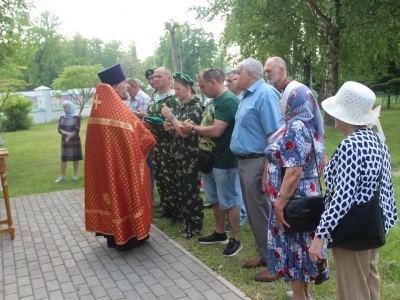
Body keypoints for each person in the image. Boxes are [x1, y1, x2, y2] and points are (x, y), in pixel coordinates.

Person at [309, 81, 398, 300]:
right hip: (372, 227)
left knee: (353, 293)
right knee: (370, 286)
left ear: (345, 115)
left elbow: (342, 198)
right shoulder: (377, 140)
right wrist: (384, 223)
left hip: (352, 230)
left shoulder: (351, 146)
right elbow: (386, 189)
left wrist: (320, 236)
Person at [263, 56, 329, 300]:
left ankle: (301, 297)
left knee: (294, 247)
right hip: (306, 195)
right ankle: (304, 293)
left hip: (293, 198)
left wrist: (280, 204)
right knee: (302, 245)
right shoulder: (309, 124)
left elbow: (294, 170)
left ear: (292, 101)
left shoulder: (295, 126)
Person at [85, 64, 156, 251]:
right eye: (124, 83)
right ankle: (131, 236)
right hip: (124, 167)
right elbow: (144, 138)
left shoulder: (99, 109)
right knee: (125, 193)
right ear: (115, 87)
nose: (127, 86)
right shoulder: (119, 113)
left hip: (105, 167)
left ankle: (112, 235)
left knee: (111, 191)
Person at [181, 68, 242, 257]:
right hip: (209, 159)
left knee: (229, 200)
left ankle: (235, 239)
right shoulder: (214, 100)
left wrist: (193, 128)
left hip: (224, 160)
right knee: (215, 198)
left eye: (202, 86)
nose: (201, 90)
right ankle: (219, 232)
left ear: (214, 82)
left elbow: (216, 131)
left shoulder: (228, 100)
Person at [230, 58, 281, 282]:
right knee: (254, 212)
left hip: (258, 162)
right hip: (245, 161)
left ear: (249, 74)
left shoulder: (265, 94)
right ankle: (265, 254)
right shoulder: (246, 96)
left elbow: (274, 134)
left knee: (262, 213)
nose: (235, 76)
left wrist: (268, 168)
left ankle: (276, 263)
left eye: (238, 72)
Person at [161, 72, 204, 238]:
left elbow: (186, 134)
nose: (175, 91)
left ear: (188, 88)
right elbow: (179, 130)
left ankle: (195, 224)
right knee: (182, 192)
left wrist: (171, 118)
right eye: (174, 88)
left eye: (178, 88)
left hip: (190, 157)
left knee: (191, 192)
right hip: (179, 156)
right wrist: (171, 128)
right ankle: (187, 222)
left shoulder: (195, 108)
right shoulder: (182, 106)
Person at [145, 67, 181, 221]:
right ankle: (166, 205)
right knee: (160, 175)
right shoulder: (154, 97)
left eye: (159, 76)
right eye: (154, 76)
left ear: (168, 79)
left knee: (171, 176)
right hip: (156, 143)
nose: (156, 79)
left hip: (169, 143)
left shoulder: (173, 97)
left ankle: (177, 210)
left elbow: (178, 118)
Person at [125, 77, 155, 200]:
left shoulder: (144, 98)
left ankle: (149, 193)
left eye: (128, 89)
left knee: (147, 165)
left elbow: (146, 119)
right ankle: (139, 192)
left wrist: (133, 115)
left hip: (144, 138)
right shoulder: (128, 99)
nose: (127, 91)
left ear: (136, 87)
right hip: (133, 137)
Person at [55, 100, 83, 183]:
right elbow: (59, 129)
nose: (66, 109)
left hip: (74, 140)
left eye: (68, 107)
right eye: (65, 107)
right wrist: (67, 134)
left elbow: (77, 129)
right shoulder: (62, 117)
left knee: (75, 158)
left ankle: (75, 175)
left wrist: (69, 136)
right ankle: (62, 176)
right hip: (65, 141)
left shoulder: (76, 117)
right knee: (64, 158)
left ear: (71, 108)